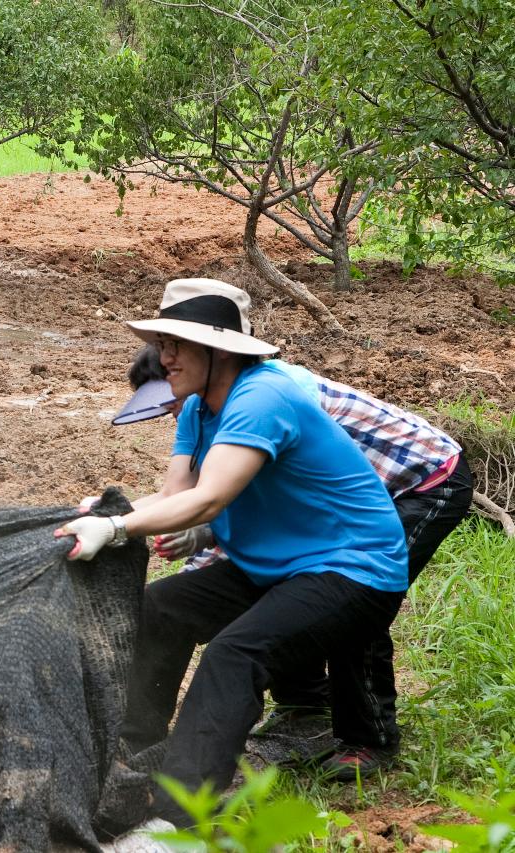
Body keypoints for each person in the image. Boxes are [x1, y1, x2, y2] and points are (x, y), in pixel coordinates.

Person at [55, 278, 410, 826]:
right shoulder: (198, 407)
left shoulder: (263, 396)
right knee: (160, 610)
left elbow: (210, 497)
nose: (163, 356)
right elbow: (176, 494)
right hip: (272, 566)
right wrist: (107, 516)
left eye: (175, 344)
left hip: (352, 567)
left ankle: (176, 814)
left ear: (218, 350)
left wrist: (121, 529)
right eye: (161, 343)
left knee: (235, 654)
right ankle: (133, 757)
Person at [114, 341, 472, 780]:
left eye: (170, 398)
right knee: (283, 595)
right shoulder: (204, 409)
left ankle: (367, 738)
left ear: (207, 362)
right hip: (323, 523)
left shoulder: (270, 398)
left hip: (421, 479)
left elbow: (297, 497)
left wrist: (203, 533)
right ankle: (304, 706)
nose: (170, 414)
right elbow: (261, 504)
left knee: (344, 608)